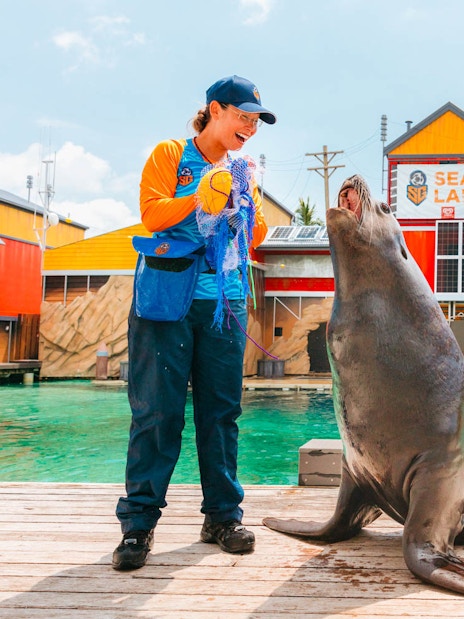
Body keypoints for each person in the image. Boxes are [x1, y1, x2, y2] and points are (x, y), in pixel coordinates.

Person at [112, 75, 276, 571]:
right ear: (215, 110)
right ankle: (138, 527)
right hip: (165, 302)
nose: (249, 127)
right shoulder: (169, 154)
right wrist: (201, 195)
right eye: (243, 116)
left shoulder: (243, 169)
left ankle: (223, 517)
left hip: (225, 304)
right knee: (156, 413)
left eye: (255, 121)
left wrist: (242, 206)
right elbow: (151, 213)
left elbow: (256, 235)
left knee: (221, 414)